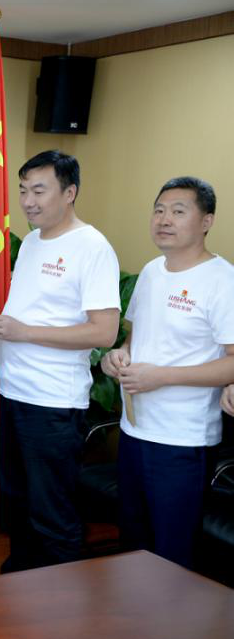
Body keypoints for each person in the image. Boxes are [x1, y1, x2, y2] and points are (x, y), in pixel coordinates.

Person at [0, 150, 120, 573]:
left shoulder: (92, 247)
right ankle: (21, 585)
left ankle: (59, 601)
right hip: (13, 391)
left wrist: (24, 333)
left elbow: (103, 333)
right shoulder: (33, 242)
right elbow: (31, 312)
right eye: (23, 190)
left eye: (39, 191)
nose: (28, 201)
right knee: (17, 501)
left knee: (51, 511)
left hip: (53, 403)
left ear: (69, 193)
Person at [101, 177, 234, 568]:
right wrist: (118, 357)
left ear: (206, 221)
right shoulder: (151, 271)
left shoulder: (222, 280)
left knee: (171, 555)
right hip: (134, 429)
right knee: (133, 545)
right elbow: (135, 338)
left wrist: (163, 376)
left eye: (178, 211)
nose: (164, 219)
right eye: (159, 210)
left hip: (182, 439)